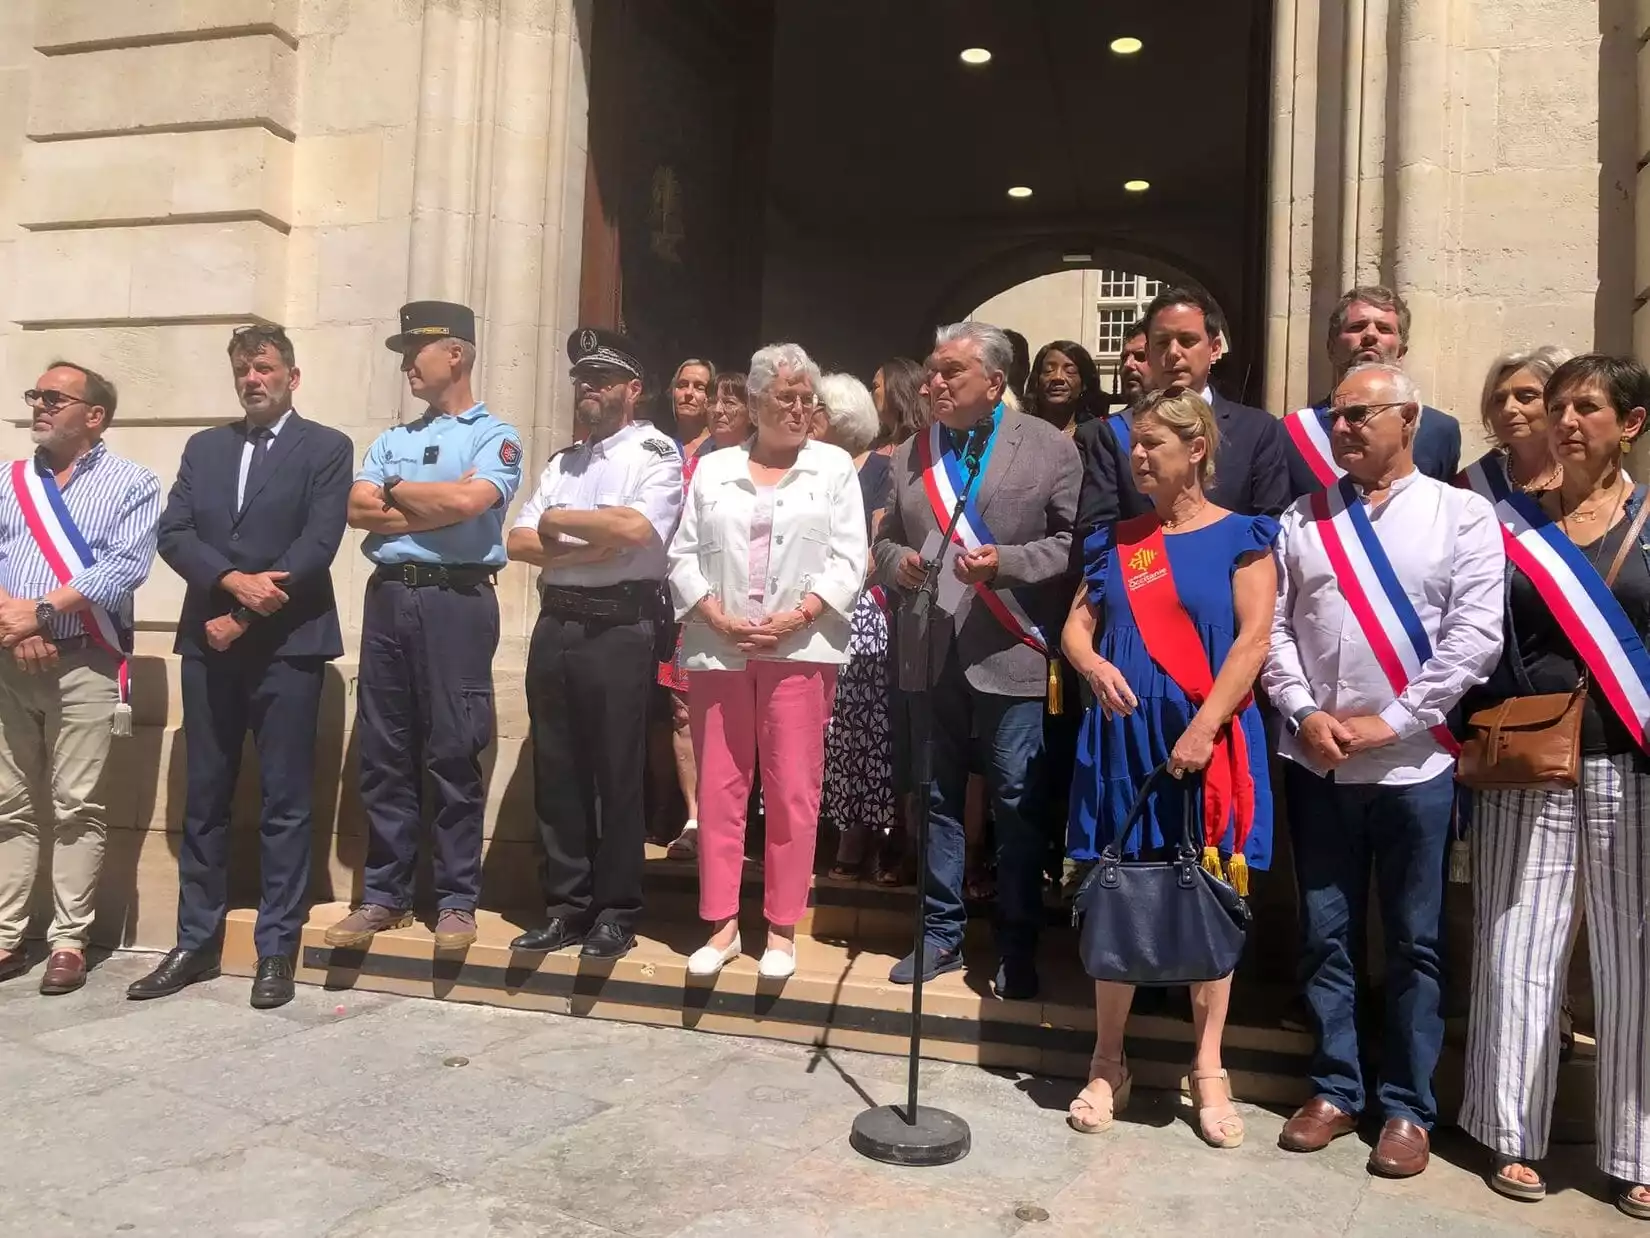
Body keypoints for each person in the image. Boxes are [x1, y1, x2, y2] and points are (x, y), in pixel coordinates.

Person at [1265, 361, 1504, 1177]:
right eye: (1338, 416)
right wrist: (1305, 712)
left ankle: (1407, 1108)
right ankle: (1335, 1087)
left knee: (1416, 943)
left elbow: (1476, 635)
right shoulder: (1302, 516)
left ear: (1409, 420)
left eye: (1362, 415)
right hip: (1319, 763)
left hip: (1414, 770)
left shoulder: (1461, 515)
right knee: (1325, 936)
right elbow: (1275, 634)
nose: (1345, 428)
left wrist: (1392, 721)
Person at [1456, 354, 1650, 1219]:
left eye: (1590, 409)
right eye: (1561, 406)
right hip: (1527, 761)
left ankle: (1636, 1149)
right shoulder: (1510, 527)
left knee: (1632, 958)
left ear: (1631, 425)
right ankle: (1510, 1130)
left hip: (1632, 765)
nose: (1568, 422)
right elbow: (1476, 638)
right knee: (1516, 948)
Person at [1061, 388, 1278, 1145]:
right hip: (1122, 746)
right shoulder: (1121, 541)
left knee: (1207, 894)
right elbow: (1076, 630)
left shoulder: (1243, 536)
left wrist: (1204, 727)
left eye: (1153, 444)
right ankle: (1107, 1058)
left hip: (1206, 745)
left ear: (1198, 451)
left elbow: (1254, 641)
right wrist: (1090, 664)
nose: (1138, 457)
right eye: (1135, 445)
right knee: (1120, 891)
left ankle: (1208, 1067)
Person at [128, 325, 353, 1009]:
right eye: (243, 370)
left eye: (264, 368)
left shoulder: (328, 447)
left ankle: (276, 947)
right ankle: (196, 940)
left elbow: (318, 542)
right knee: (205, 798)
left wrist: (251, 610)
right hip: (210, 646)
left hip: (288, 644)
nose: (253, 380)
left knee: (286, 802)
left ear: (292, 375)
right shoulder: (206, 447)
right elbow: (175, 533)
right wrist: (231, 583)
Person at [872, 321, 1080, 999]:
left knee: (1018, 804)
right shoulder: (912, 451)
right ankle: (939, 932)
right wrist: (894, 562)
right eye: (932, 371)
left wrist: (1009, 563)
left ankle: (1017, 943)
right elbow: (885, 539)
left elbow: (1073, 544)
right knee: (932, 795)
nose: (933, 383)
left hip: (1010, 648)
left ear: (994, 383)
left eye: (950, 372)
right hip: (928, 650)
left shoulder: (1049, 448)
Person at [324, 301, 523, 952]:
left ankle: (457, 898)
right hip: (390, 600)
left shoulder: (492, 436)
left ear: (456, 355)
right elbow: (358, 508)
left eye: (418, 350)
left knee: (453, 748)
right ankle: (385, 893)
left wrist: (399, 493)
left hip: (456, 602)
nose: (408, 364)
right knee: (385, 751)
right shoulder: (393, 439)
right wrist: (433, 505)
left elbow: (473, 503)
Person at [668, 343, 866, 979]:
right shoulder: (713, 466)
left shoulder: (834, 466)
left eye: (809, 398)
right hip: (719, 645)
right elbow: (683, 553)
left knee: (793, 789)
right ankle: (721, 922)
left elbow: (848, 557)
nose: (801, 408)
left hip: (800, 647)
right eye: (787, 397)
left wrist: (799, 616)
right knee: (722, 787)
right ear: (755, 403)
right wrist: (715, 615)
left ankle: (782, 927)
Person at [507, 328, 683, 960]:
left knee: (616, 770)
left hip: (619, 628)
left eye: (604, 379)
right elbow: (519, 542)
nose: (590, 388)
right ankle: (566, 906)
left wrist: (559, 525)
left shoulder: (656, 453)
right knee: (558, 770)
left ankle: (615, 908)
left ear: (632, 390)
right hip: (557, 625)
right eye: (583, 378)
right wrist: (586, 536)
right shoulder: (560, 464)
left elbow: (635, 529)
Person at [0, 362, 160, 994]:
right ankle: (8, 932)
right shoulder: (9, 482)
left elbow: (124, 568)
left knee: (78, 805)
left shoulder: (132, 483)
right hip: (11, 660)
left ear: (94, 416)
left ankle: (69, 938)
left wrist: (42, 613)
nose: (40, 406)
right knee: (8, 804)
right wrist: (24, 627)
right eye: (36, 395)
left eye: (54, 398)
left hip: (86, 663)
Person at [658, 371, 751, 859]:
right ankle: (695, 819)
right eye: (715, 400)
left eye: (730, 401)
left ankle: (735, 820)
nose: (717, 409)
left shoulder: (767, 462)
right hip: (695, 605)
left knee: (743, 715)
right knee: (682, 712)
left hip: (751, 611)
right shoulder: (690, 461)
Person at [815, 372, 896, 878]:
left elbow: (875, 549)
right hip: (807, 608)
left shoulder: (881, 467)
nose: (806, 417)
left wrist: (827, 589)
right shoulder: (807, 466)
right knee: (830, 732)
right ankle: (829, 827)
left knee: (862, 728)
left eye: (816, 407)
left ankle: (865, 834)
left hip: (860, 610)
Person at [1281, 286, 1462, 495]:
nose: (1370, 335)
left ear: (1401, 352)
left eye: (1384, 329)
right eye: (1356, 327)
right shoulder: (1288, 435)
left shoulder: (1439, 432)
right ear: (1331, 347)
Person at [1140, 287, 1291, 519]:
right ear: (1148, 353)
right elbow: (1099, 532)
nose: (1173, 353)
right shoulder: (1114, 433)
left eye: (1187, 340)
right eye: (1162, 342)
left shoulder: (1258, 431)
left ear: (1215, 349)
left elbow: (1271, 520)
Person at [1458, 345, 1571, 498]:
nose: (1508, 408)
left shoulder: (1588, 479)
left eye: (1526, 396)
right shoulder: (1471, 485)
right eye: (1499, 399)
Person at [1026, 340, 1107, 436]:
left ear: (1084, 383)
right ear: (1037, 380)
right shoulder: (1021, 431)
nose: (1057, 377)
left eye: (1070, 371)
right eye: (1049, 370)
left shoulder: (1099, 434)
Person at [871, 357, 930, 456]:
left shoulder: (928, 446)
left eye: (875, 387)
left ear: (897, 390)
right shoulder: (872, 445)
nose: (871, 394)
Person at [669, 359, 716, 458]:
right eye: (682, 385)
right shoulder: (662, 446)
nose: (688, 393)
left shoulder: (721, 449)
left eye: (699, 387)